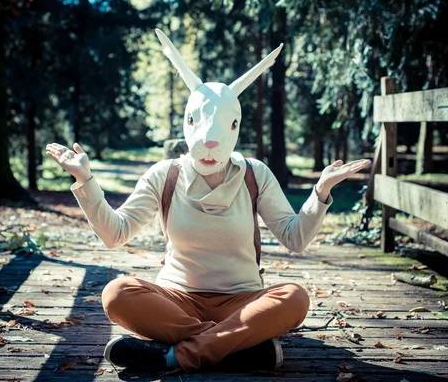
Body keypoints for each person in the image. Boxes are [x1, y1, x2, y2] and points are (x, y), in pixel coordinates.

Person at [45, 29, 371, 374]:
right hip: (176, 300)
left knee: (294, 298)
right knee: (116, 293)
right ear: (188, 122)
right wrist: (85, 180)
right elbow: (115, 234)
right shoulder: (165, 174)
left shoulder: (254, 174)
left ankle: (173, 356)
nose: (211, 144)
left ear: (236, 126)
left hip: (242, 301)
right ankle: (235, 349)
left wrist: (321, 191)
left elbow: (296, 238)